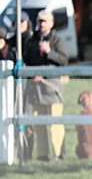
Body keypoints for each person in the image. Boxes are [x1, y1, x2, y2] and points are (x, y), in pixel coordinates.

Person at [23, 10, 68, 161]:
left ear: (51, 23)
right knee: (39, 124)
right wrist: (31, 74)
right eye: (39, 21)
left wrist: (49, 52)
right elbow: (26, 61)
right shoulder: (31, 41)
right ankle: (42, 155)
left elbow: (63, 60)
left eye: (44, 21)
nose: (41, 24)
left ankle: (58, 154)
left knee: (55, 123)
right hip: (36, 89)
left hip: (52, 88)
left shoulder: (57, 41)